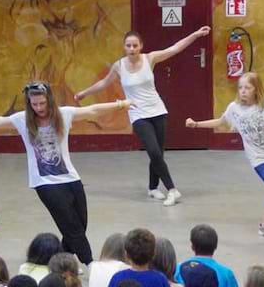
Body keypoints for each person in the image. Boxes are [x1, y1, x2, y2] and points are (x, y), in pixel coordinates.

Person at [0, 81, 132, 266]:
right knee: (70, 223)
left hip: (70, 177)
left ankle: (62, 259)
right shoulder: (23, 119)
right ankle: (89, 262)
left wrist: (120, 104)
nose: (39, 108)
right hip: (44, 183)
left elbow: (92, 111)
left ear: (49, 100)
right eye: (34, 104)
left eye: (42, 103)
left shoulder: (63, 115)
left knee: (80, 223)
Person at [75, 26, 211, 206]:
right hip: (137, 113)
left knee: (158, 154)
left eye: (135, 46)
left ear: (141, 46)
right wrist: (84, 92)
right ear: (124, 47)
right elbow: (103, 83)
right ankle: (172, 189)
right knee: (153, 151)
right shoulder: (119, 66)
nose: (131, 49)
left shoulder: (150, 58)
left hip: (158, 111)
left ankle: (153, 188)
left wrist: (195, 33)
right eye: (128, 46)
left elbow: (175, 48)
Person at [185, 72, 264, 238]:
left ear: (256, 89)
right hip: (258, 160)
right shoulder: (234, 109)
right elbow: (220, 122)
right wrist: (196, 124)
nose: (243, 91)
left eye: (247, 87)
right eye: (240, 87)